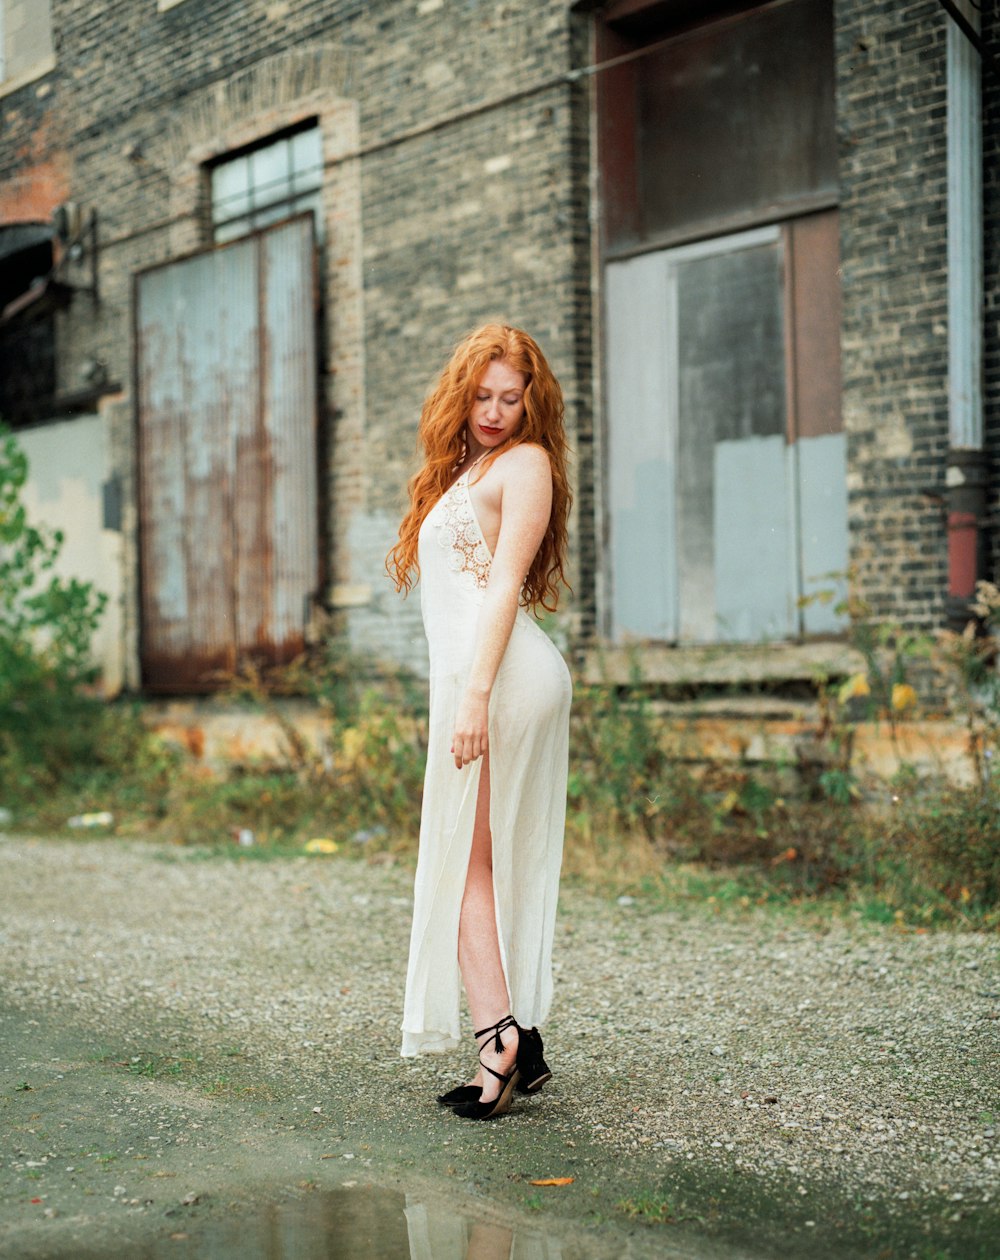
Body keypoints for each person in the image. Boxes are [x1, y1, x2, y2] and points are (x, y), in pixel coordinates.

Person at [387, 323, 572, 1121]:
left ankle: (497, 1037)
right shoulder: (467, 465)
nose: (495, 412)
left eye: (511, 398)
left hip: (501, 679)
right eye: (483, 396)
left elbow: (503, 588)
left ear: (532, 403)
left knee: (465, 859)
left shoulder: (527, 464)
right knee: (473, 861)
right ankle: (512, 1039)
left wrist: (474, 695)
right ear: (461, 394)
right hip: (475, 678)